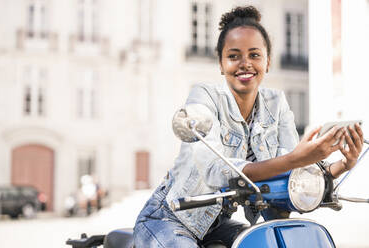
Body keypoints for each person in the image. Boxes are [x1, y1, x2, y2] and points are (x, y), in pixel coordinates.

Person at [133, 6, 364, 248]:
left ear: (268, 61)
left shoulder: (277, 104)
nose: (245, 64)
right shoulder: (204, 96)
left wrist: (341, 165)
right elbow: (215, 170)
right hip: (169, 217)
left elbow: (290, 182)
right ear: (221, 64)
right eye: (233, 56)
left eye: (254, 55)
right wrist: (296, 159)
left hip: (215, 225)